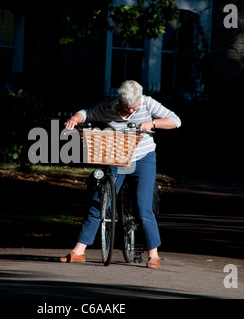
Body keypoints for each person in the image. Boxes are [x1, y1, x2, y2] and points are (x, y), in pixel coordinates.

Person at [60, 80, 181, 269]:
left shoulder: (148, 103)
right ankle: (78, 252)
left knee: (143, 207)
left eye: (135, 107)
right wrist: (75, 118)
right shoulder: (108, 106)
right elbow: (86, 113)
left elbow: (175, 121)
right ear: (120, 101)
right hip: (117, 157)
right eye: (127, 107)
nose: (131, 111)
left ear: (140, 100)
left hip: (143, 159)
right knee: (99, 201)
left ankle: (153, 255)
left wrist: (153, 122)